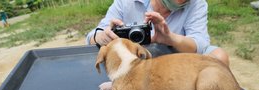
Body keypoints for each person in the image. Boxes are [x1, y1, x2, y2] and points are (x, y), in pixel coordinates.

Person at [86, 0, 230, 66]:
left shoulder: (197, 4)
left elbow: (200, 44)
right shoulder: (127, 2)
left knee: (219, 56)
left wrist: (170, 39)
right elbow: (92, 37)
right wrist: (106, 37)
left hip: (175, 64)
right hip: (134, 64)